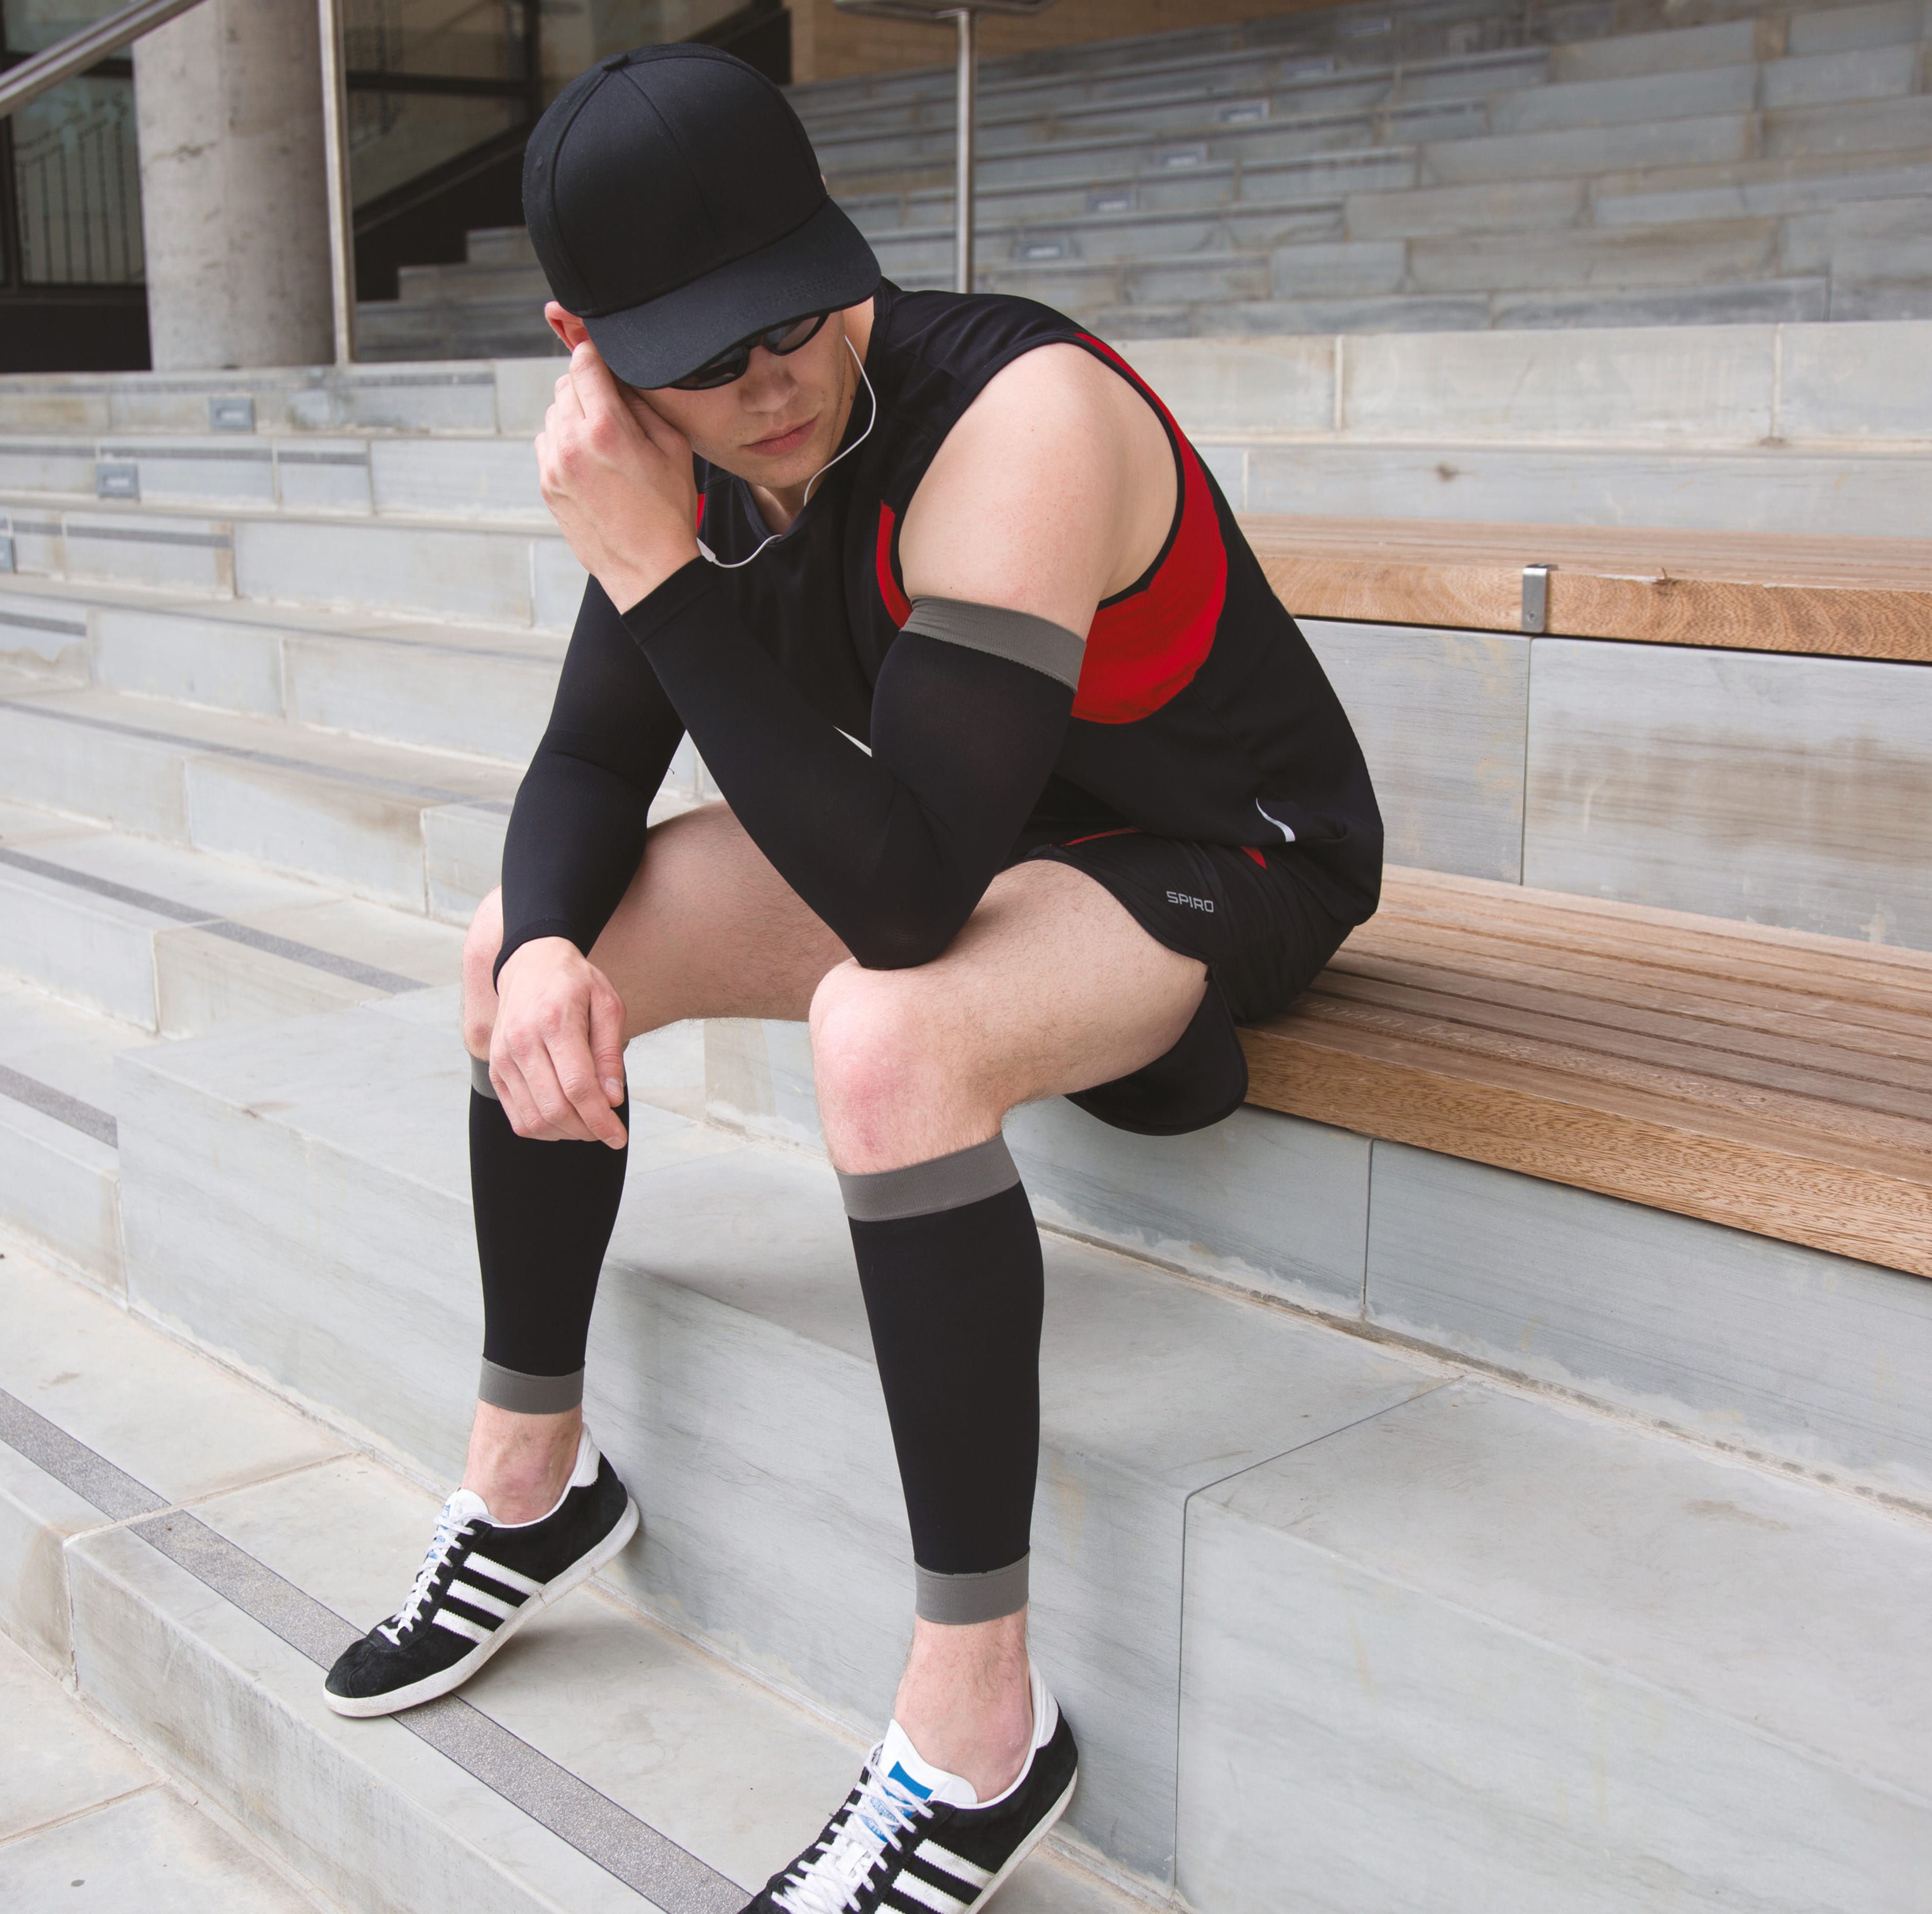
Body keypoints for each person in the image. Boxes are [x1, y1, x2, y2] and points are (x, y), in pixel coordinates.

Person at [321, 41, 1381, 1913]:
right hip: (976, 836)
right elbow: (590, 766)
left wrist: (660, 577)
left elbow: (901, 907)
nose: (777, 383)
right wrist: (554, 940)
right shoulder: (689, 450)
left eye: (801, 313)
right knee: (520, 946)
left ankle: (977, 1735)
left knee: (885, 1034)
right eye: (709, 356)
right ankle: (529, 1481)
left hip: (1222, 849)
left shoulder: (1019, 418)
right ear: (591, 351)